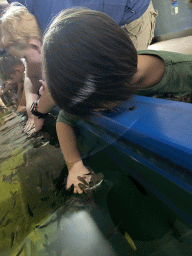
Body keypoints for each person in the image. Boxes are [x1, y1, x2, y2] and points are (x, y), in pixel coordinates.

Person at [42, 8, 192, 193]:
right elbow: (64, 119)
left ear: (109, 87)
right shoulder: (100, 86)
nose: (93, 113)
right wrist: (74, 165)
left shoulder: (184, 72)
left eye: (95, 108)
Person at [0, 1, 158, 136]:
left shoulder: (60, 29)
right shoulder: (27, 18)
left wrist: (38, 112)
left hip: (127, 13)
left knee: (121, 79)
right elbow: (31, 73)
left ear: (36, 44)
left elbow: (66, 85)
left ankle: (144, 129)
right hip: (93, 19)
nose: (26, 62)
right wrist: (31, 105)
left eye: (25, 57)